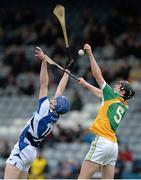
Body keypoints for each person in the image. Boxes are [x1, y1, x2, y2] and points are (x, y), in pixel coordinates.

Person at [4, 47, 73, 179]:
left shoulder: (44, 110)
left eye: (55, 100)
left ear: (54, 104)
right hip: (31, 153)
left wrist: (44, 62)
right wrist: (67, 71)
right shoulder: (55, 115)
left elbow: (43, 84)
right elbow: (60, 89)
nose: (54, 98)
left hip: (23, 148)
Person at [78, 43, 135, 179]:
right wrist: (86, 84)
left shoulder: (113, 96)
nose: (115, 85)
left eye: (119, 85)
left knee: (82, 178)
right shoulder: (123, 104)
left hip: (102, 142)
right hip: (113, 146)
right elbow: (101, 94)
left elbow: (97, 75)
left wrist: (90, 54)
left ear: (122, 91)